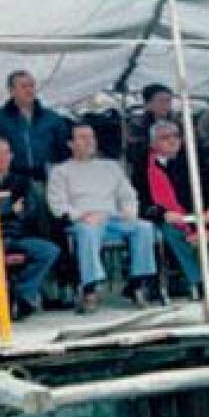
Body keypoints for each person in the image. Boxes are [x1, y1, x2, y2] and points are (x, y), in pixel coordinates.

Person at [47, 123, 161, 313]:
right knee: (87, 231)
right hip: (84, 220)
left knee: (144, 228)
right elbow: (57, 204)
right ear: (70, 143)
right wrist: (82, 216)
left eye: (91, 137)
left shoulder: (111, 166)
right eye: (82, 138)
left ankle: (137, 283)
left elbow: (128, 194)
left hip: (113, 218)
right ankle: (91, 287)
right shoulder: (60, 171)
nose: (89, 141)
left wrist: (129, 212)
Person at [133, 121, 209, 298]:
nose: (173, 141)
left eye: (176, 136)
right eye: (166, 137)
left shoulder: (192, 160)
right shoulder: (143, 167)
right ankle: (200, 280)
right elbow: (141, 202)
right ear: (153, 143)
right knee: (169, 233)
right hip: (171, 219)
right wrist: (163, 213)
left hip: (202, 215)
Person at [0, 136, 60, 320]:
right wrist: (10, 210)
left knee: (49, 250)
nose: (3, 157)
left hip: (18, 237)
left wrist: (7, 211)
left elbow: (29, 212)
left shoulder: (21, 181)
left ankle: (23, 293)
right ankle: (5, 298)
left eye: (7, 152)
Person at [0, 70, 70, 183]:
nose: (29, 90)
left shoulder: (53, 119)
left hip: (47, 181)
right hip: (10, 182)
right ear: (11, 91)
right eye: (24, 86)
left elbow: (64, 152)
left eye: (32, 86)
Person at [126, 83, 181, 167]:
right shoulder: (138, 125)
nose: (166, 105)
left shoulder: (178, 124)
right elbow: (134, 154)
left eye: (168, 100)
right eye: (161, 101)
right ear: (148, 104)